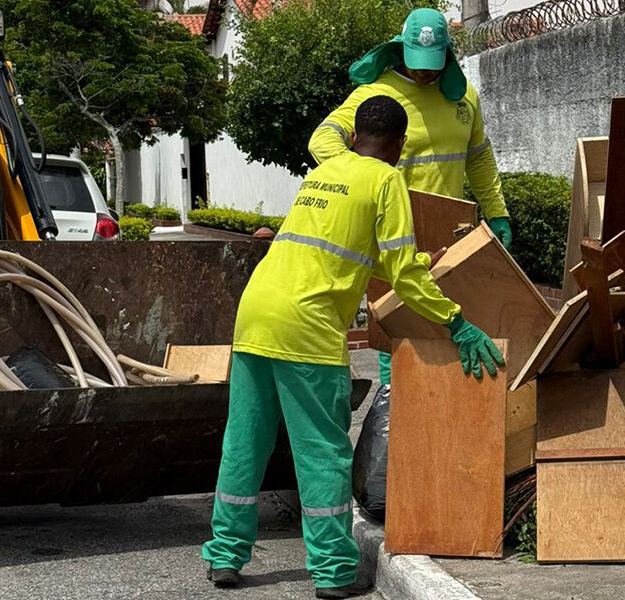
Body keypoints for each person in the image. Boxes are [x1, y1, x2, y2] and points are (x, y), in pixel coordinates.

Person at [202, 95, 504, 599]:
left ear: (354, 135)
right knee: (322, 451)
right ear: (401, 144)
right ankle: (333, 572)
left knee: (244, 442)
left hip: (255, 315)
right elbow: (403, 275)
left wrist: (409, 262)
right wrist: (456, 321)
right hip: (307, 327)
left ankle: (224, 556)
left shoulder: (326, 169)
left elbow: (354, 251)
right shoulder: (387, 181)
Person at [308, 7, 511, 390]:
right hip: (393, 235)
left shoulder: (464, 97)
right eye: (417, 62)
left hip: (449, 236)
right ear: (400, 49)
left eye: (433, 64)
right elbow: (323, 139)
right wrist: (365, 177)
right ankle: (397, 418)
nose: (424, 72)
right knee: (397, 341)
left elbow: (479, 156)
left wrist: (497, 212)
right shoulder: (376, 95)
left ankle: (437, 420)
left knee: (447, 333)